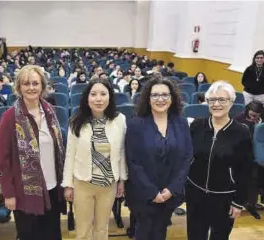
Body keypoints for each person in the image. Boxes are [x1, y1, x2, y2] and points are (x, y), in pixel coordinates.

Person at [0, 65, 66, 240]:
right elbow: (2, 160)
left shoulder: (49, 110)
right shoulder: (10, 117)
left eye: (35, 83)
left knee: (52, 236)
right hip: (24, 193)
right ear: (19, 87)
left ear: (42, 86)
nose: (31, 88)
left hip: (52, 188)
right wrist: (9, 194)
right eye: (26, 83)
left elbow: (58, 149)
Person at [125, 77, 192, 240]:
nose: (160, 99)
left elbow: (187, 158)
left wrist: (171, 189)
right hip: (143, 194)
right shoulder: (136, 124)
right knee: (143, 232)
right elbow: (133, 162)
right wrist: (152, 192)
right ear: (148, 98)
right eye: (155, 95)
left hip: (170, 193)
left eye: (165, 95)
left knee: (160, 233)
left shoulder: (181, 123)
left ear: (172, 98)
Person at [186, 81, 253, 240]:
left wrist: (238, 202)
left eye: (222, 100)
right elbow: (186, 157)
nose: (217, 104)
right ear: (207, 102)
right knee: (195, 235)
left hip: (225, 197)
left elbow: (246, 170)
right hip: (195, 194)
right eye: (212, 100)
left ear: (231, 103)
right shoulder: (197, 126)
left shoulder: (241, 132)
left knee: (219, 237)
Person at [62, 78, 127, 240]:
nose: (99, 99)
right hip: (83, 183)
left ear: (110, 97)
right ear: (87, 98)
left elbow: (122, 152)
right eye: (94, 94)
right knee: (83, 231)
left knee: (102, 229)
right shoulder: (76, 122)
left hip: (108, 184)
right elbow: (70, 155)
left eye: (103, 94)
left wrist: (122, 180)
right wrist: (68, 185)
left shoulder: (120, 120)